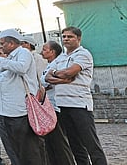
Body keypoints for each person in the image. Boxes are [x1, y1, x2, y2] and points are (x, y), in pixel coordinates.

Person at [45, 27, 107, 165]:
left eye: (70, 37)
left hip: (79, 105)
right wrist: (61, 77)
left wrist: (59, 74)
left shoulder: (83, 54)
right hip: (63, 105)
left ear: (78, 39)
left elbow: (69, 72)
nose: (66, 39)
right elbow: (47, 77)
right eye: (64, 36)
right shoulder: (61, 57)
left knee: (91, 143)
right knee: (75, 145)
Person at [0, 29, 45, 165]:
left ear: (12, 43)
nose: (1, 47)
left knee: (28, 149)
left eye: (3, 44)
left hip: (20, 111)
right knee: (15, 148)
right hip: (6, 111)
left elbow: (21, 68)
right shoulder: (9, 58)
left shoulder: (23, 53)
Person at [40, 41, 75, 165]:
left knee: (59, 140)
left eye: (45, 49)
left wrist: (49, 81)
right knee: (50, 140)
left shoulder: (58, 63)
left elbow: (55, 80)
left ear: (52, 52)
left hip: (56, 104)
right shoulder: (48, 65)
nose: (42, 52)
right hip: (48, 104)